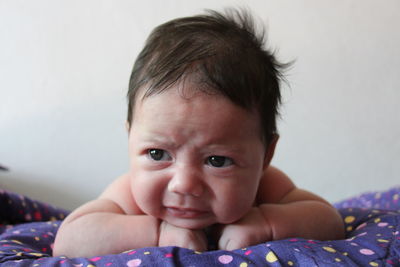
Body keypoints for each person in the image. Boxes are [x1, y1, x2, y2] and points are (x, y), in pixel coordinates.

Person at [53, 9, 344, 258]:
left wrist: (266, 223)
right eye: (158, 154)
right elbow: (70, 239)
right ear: (131, 139)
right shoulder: (129, 194)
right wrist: (157, 233)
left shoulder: (266, 187)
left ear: (266, 155)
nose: (184, 184)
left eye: (217, 160)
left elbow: (329, 221)